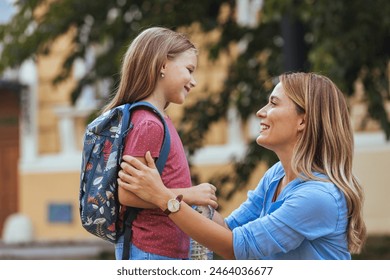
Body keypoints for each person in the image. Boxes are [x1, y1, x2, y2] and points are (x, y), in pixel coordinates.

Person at [117, 72, 367, 260]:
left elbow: (238, 248)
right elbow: (228, 228)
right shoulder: (277, 175)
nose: (261, 112)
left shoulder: (317, 196)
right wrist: (183, 195)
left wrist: (164, 198)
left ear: (303, 120)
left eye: (274, 103)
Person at [103, 27, 218, 260]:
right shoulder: (149, 124)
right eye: (189, 70)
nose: (193, 81)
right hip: (151, 253)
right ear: (163, 65)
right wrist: (191, 194)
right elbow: (126, 195)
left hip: (162, 252)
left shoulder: (159, 120)